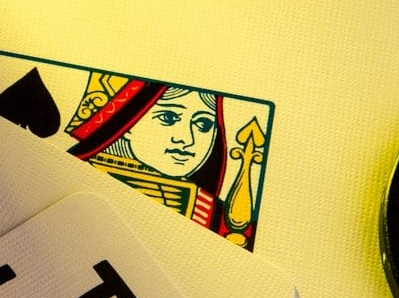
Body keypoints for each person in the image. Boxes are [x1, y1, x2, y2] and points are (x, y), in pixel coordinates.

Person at [64, 72, 264, 249]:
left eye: (202, 124)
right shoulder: (66, 184)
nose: (186, 139)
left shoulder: (225, 222)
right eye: (168, 118)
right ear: (128, 120)